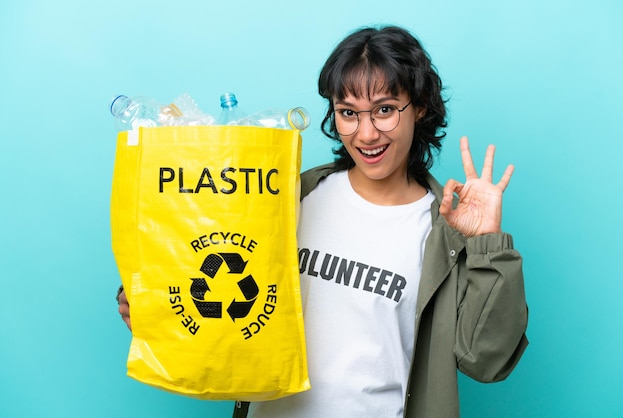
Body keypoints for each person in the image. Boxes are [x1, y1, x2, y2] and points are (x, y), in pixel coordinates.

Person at [117, 24, 528, 418]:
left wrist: (485, 244)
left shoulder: (443, 232)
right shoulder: (289, 197)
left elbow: (485, 360)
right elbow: (212, 259)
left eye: (385, 110)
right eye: (348, 113)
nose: (366, 133)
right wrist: (152, 302)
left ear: (419, 107)